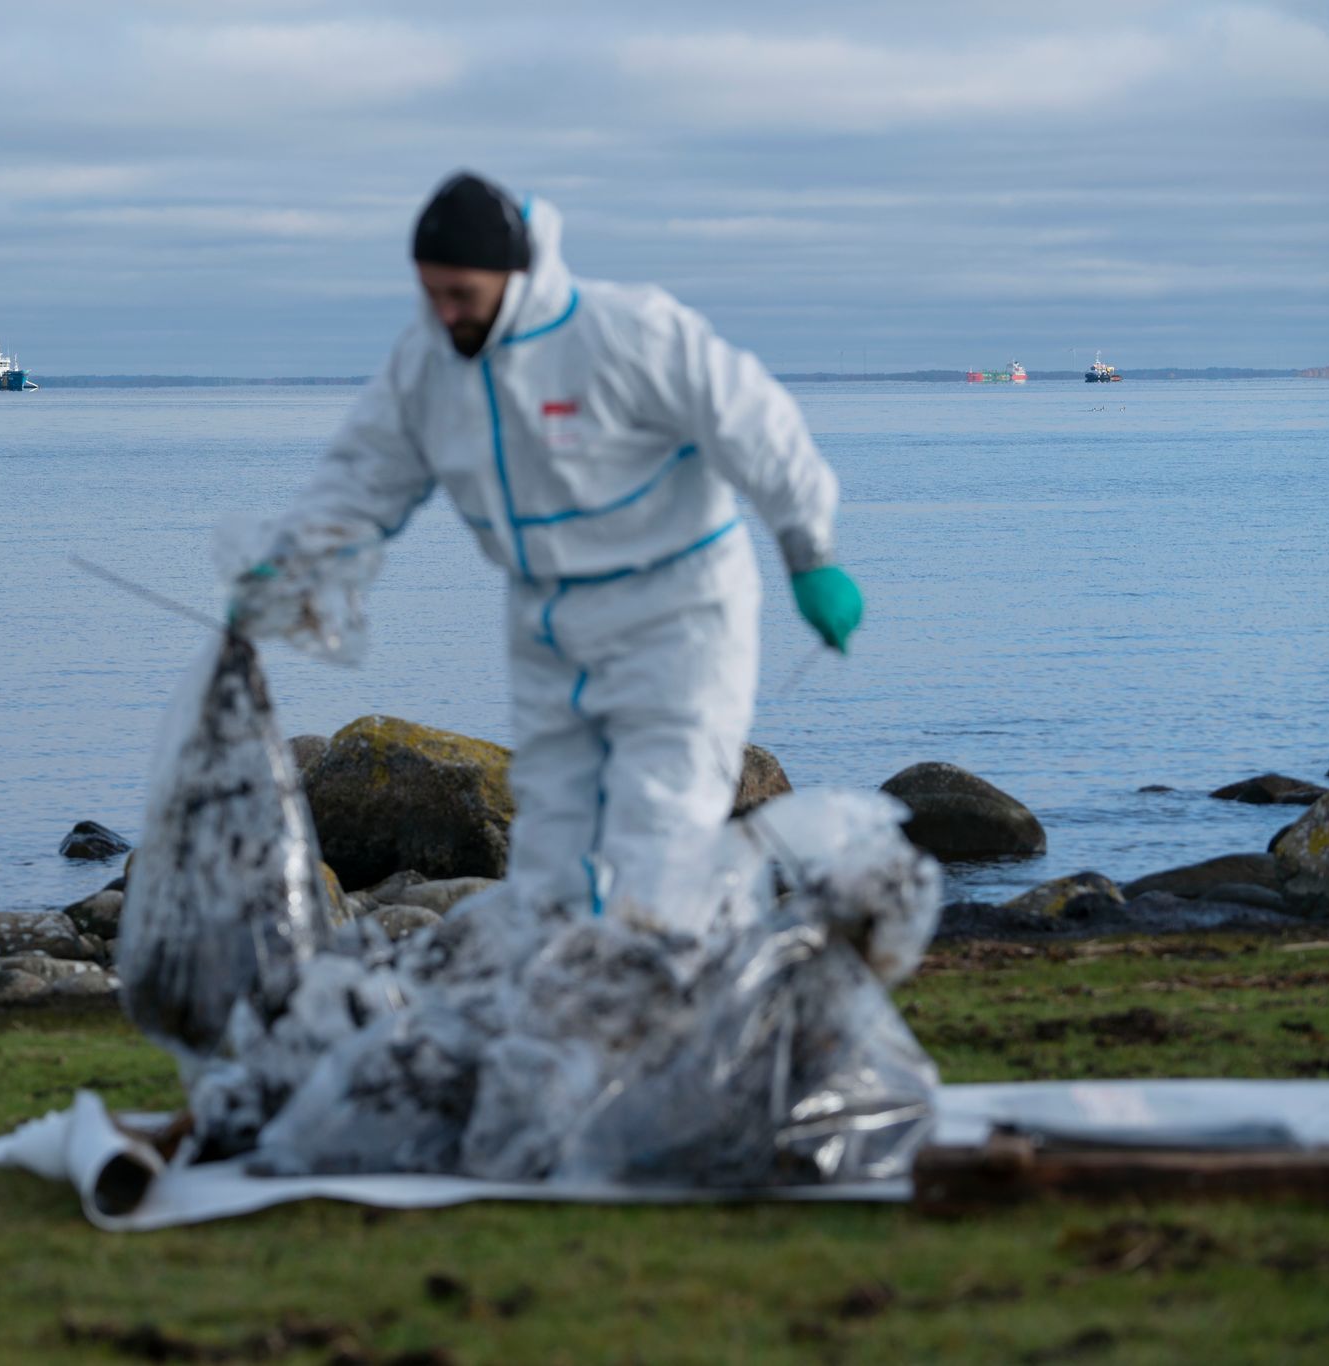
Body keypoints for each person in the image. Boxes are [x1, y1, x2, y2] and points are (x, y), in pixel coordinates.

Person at [233, 171, 862, 936]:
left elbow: (757, 427)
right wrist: (295, 563)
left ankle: (670, 1003)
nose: (444, 312)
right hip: (548, 620)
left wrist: (809, 552)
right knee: (555, 843)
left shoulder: (626, 333)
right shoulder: (428, 368)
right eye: (431, 292)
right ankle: (579, 1013)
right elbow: (361, 478)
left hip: (678, 612)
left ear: (514, 274)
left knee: (660, 828)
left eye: (460, 293)